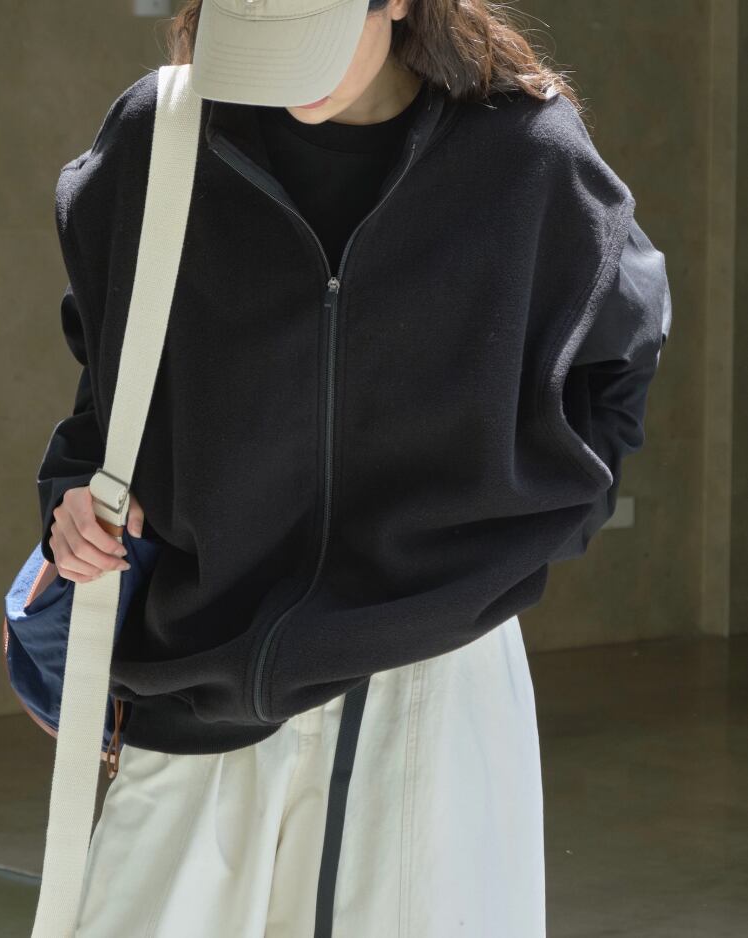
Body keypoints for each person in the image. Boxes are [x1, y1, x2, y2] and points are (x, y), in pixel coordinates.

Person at [37, 0, 672, 935]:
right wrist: (72, 498)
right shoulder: (161, 136)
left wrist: (500, 550)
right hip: (200, 675)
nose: (286, 77)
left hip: (425, 682)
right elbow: (110, 386)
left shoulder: (523, 155)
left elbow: (614, 367)